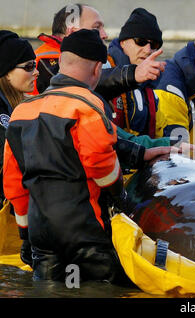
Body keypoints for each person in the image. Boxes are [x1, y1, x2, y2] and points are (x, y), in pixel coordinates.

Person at [2, 29, 139, 283]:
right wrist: (120, 196)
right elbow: (100, 162)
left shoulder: (21, 112)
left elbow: (14, 185)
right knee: (103, 287)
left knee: (49, 289)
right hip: (84, 229)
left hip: (42, 236)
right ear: (98, 69)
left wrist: (25, 235)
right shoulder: (87, 104)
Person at [31, 4, 165, 100]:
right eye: (97, 28)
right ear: (72, 32)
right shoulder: (45, 62)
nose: (105, 35)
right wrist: (133, 74)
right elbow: (77, 80)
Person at [106, 8, 167, 138]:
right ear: (123, 42)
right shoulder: (103, 68)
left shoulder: (156, 82)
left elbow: (160, 131)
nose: (147, 50)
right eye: (141, 41)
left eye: (154, 44)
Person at [0, 30, 38, 202]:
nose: (36, 72)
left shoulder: (23, 104)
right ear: (6, 72)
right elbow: (10, 158)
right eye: (29, 67)